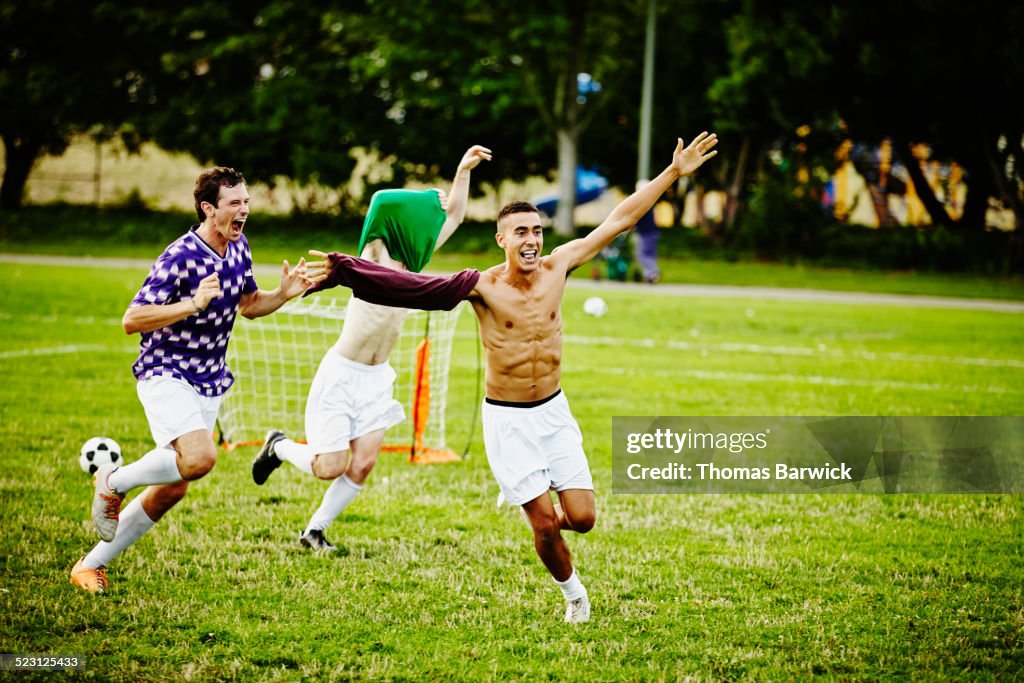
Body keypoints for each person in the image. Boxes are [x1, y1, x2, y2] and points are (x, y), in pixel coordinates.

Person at [303, 133, 718, 622]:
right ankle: (575, 597)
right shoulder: (481, 286)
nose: (532, 240)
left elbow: (619, 219)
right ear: (502, 239)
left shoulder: (559, 265)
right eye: (520, 232)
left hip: (554, 412)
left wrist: (672, 173)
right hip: (506, 422)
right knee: (544, 526)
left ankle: (543, 514)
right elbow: (412, 288)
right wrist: (348, 271)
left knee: (581, 519)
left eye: (537, 230)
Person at [70, 167, 312, 593]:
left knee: (173, 488)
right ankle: (113, 480)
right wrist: (191, 303)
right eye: (235, 203)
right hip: (165, 371)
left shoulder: (239, 247)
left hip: (209, 379)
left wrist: (283, 294)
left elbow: (250, 304)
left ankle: (89, 566)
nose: (245, 210)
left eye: (247, 201)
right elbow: (132, 319)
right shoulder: (180, 255)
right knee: (200, 459)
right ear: (208, 208)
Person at [250, 145, 492, 552]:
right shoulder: (371, 255)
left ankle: (314, 531)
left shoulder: (413, 265)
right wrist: (426, 196)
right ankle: (279, 446)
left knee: (362, 464)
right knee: (330, 466)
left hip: (377, 378)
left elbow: (455, 216)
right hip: (343, 374)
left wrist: (461, 173)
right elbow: (382, 200)